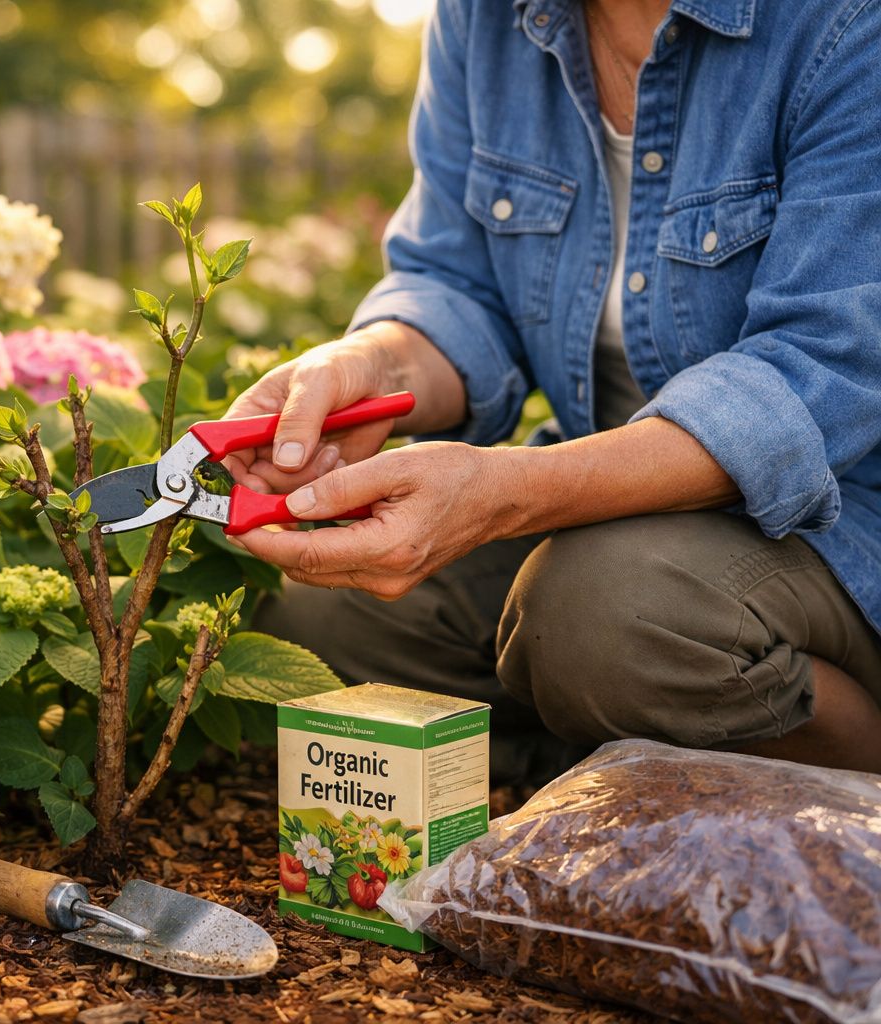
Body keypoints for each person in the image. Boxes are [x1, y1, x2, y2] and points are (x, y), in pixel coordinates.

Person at [223, 0, 881, 779]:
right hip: (602, 508)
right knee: (325, 615)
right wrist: (373, 368)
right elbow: (456, 282)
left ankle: (853, 774)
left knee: (603, 616)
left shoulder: (844, 24)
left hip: (836, 521)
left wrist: (506, 492)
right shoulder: (484, 18)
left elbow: (821, 367)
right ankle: (615, 758)